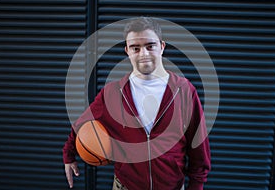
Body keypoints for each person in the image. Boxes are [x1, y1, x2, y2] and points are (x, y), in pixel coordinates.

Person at [63, 17, 211, 190]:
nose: (144, 54)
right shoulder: (113, 92)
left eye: (150, 46)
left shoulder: (184, 90)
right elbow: (82, 123)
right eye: (136, 48)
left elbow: (198, 145)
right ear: (127, 51)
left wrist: (197, 185)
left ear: (162, 47)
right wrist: (69, 154)